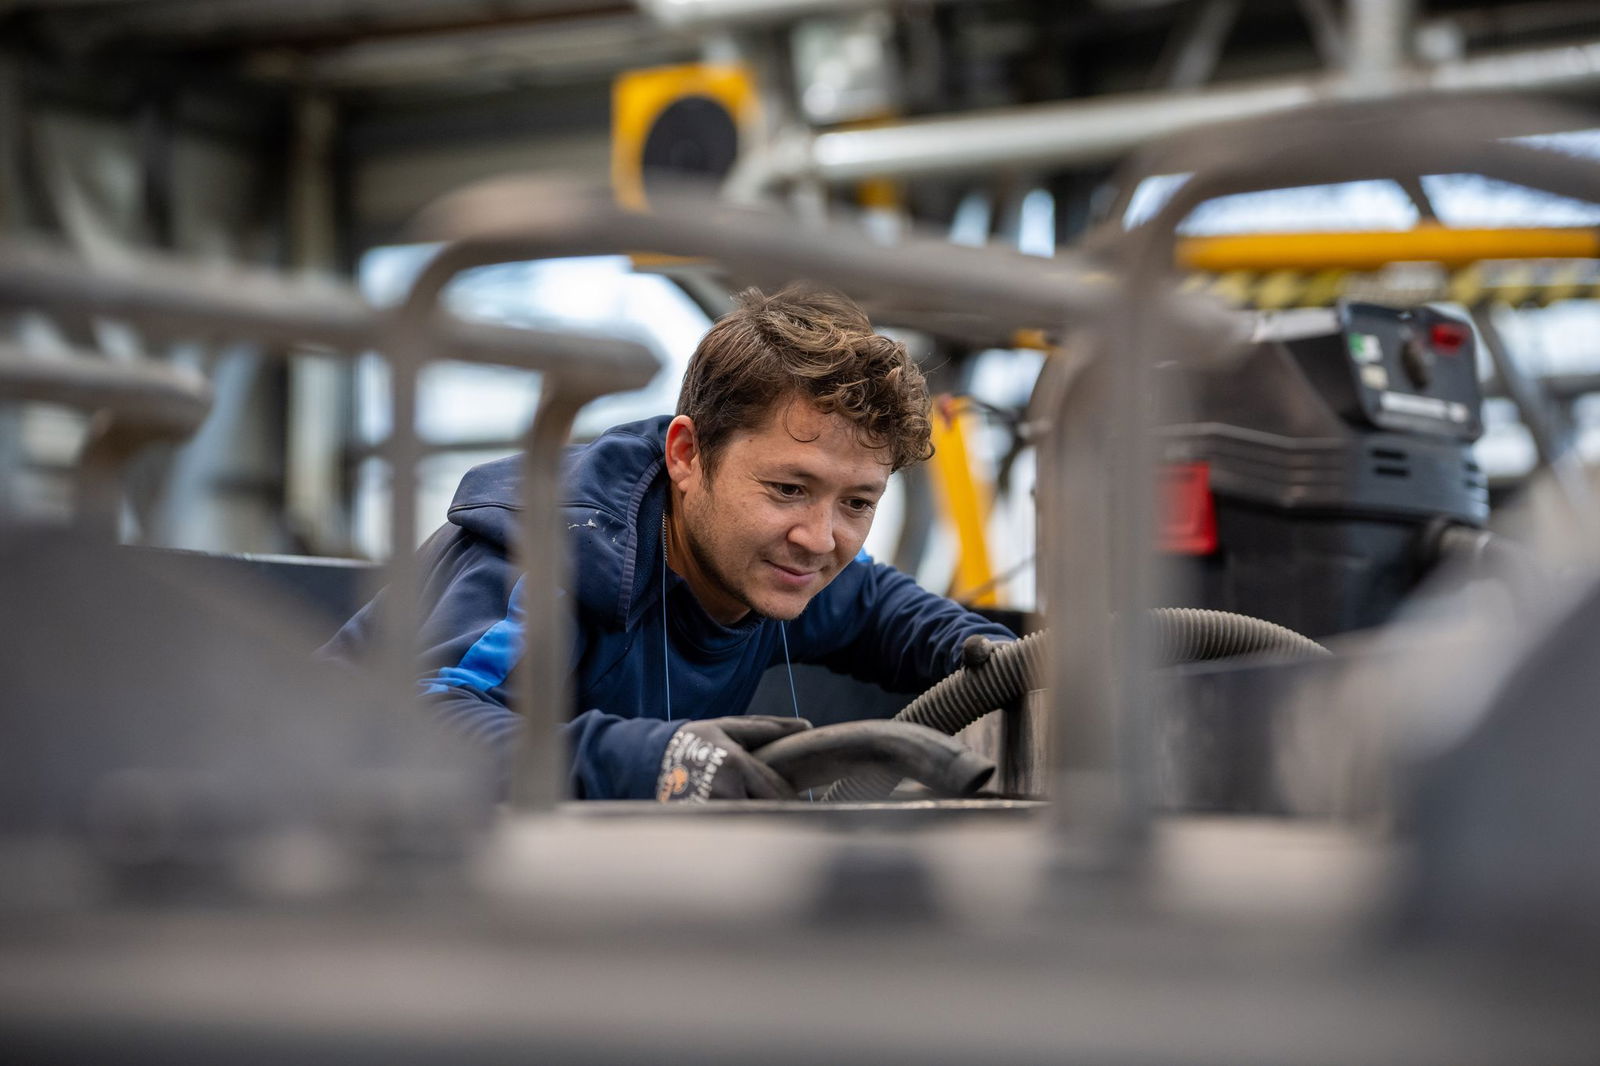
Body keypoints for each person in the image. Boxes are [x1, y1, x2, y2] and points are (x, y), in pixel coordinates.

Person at [325, 284, 1014, 801]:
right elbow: (419, 724)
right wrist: (658, 760)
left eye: (857, 502)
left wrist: (1004, 665)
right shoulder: (556, 557)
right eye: (787, 489)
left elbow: (891, 612)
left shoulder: (788, 561)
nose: (818, 539)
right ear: (686, 455)